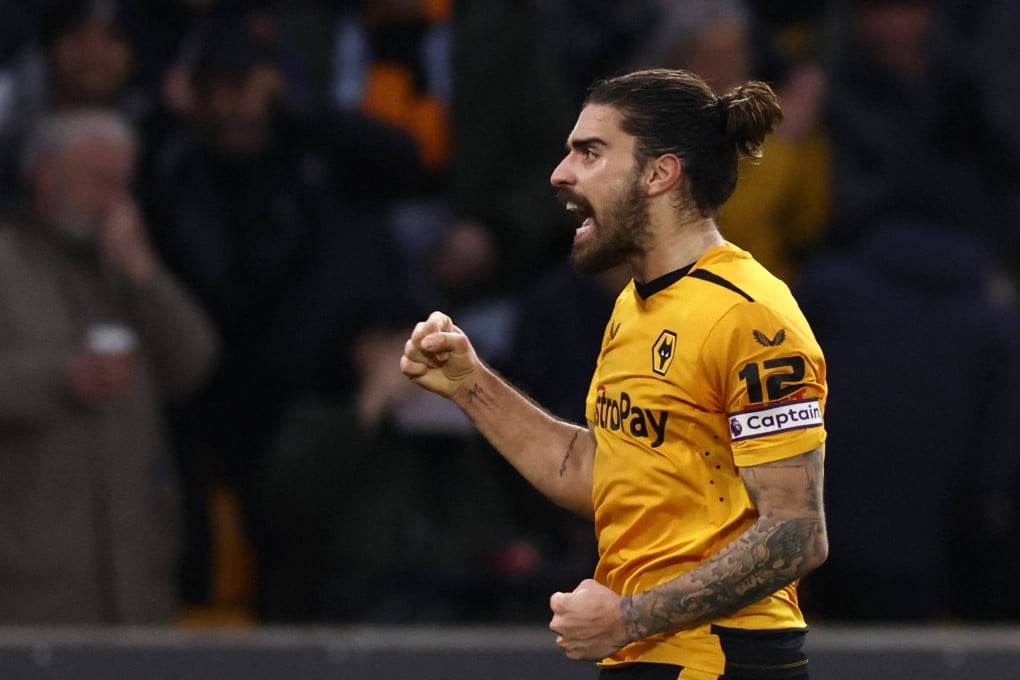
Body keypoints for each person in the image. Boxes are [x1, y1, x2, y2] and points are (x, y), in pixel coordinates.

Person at [401, 69, 829, 678]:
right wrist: (469, 385)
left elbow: (796, 533)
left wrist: (628, 618)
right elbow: (600, 472)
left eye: (590, 152)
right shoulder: (635, 303)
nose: (560, 173)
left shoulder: (751, 316)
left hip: (722, 659)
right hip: (648, 653)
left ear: (660, 173)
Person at [0, 108, 218, 623]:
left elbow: (195, 362)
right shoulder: (6, 263)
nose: (114, 201)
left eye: (123, 184)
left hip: (136, 580)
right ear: (44, 176)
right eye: (99, 180)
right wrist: (59, 379)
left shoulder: (125, 268)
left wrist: (145, 275)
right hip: (29, 583)